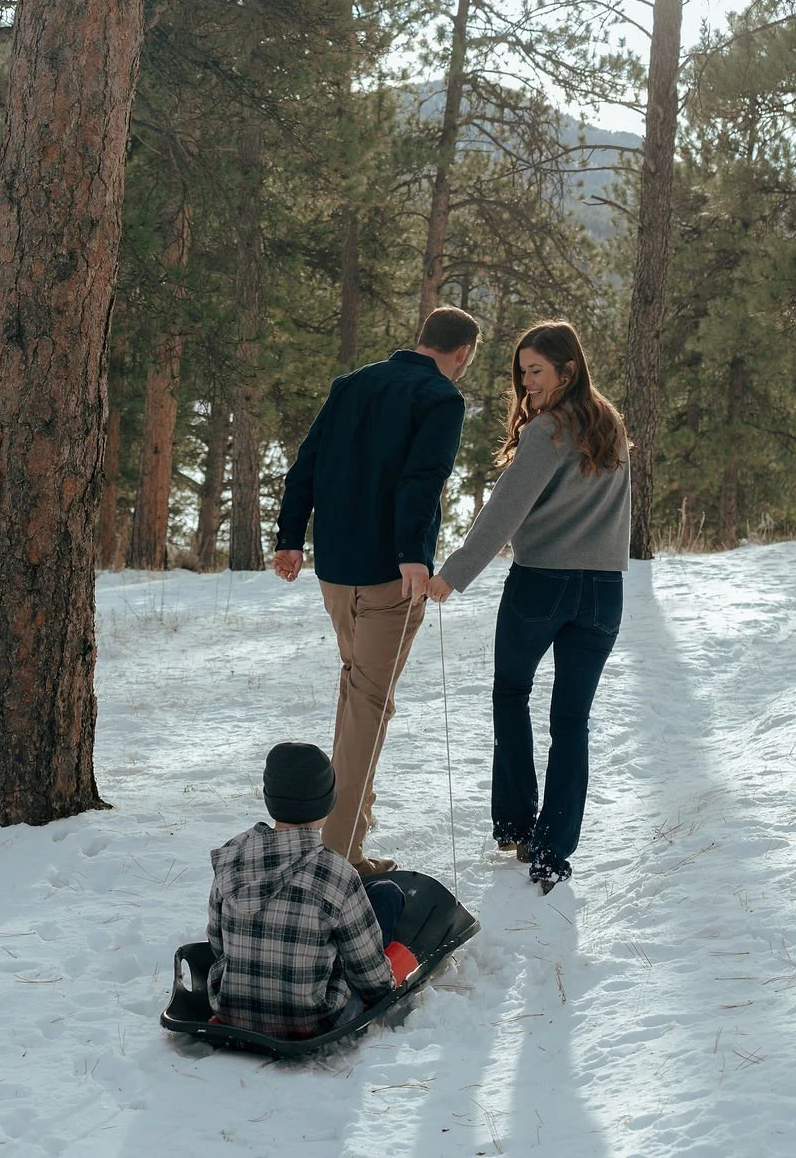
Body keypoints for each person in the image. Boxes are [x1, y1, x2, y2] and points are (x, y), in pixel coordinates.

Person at [273, 306, 480, 877]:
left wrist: (290, 537)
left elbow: (306, 464)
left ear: (421, 339)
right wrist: (414, 553)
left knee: (355, 693)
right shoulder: (442, 398)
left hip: (334, 569)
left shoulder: (353, 383)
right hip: (392, 573)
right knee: (367, 704)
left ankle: (346, 836)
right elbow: (423, 478)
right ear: (462, 353)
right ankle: (337, 856)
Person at [428, 321, 630, 893]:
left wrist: (453, 575)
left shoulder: (548, 431)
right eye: (521, 373)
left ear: (568, 370)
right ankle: (553, 852)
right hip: (604, 592)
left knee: (511, 692)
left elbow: (503, 513)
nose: (526, 383)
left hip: (543, 583)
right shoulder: (609, 425)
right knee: (572, 722)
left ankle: (518, 825)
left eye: (536, 371)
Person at [207, 742, 418, 1038]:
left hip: (231, 1010)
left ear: (269, 798)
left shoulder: (232, 856)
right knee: (385, 894)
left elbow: (218, 944)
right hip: (313, 1020)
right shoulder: (337, 874)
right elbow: (372, 980)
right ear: (328, 803)